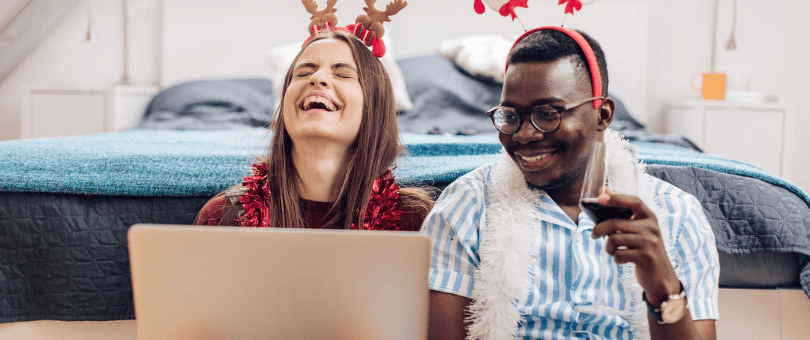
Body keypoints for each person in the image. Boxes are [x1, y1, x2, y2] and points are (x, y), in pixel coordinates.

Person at [424, 27, 719, 340]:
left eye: (548, 113)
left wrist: (663, 286)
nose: (524, 135)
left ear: (602, 115)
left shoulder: (678, 216)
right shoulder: (466, 205)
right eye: (511, 116)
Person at [195, 29, 433, 231]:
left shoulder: (417, 220)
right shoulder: (223, 216)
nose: (317, 78)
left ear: (376, 108)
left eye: (342, 74)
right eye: (303, 73)